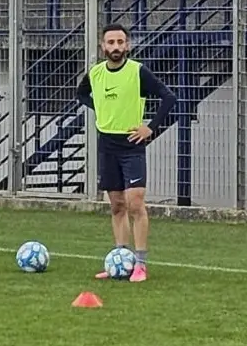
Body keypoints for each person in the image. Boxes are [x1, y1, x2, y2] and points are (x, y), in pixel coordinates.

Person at [76, 23, 177, 286]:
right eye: (111, 43)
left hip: (131, 145)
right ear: (102, 46)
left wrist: (150, 128)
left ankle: (141, 263)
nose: (116, 47)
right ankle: (120, 260)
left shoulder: (137, 72)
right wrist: (100, 108)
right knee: (117, 205)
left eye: (120, 42)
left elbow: (168, 98)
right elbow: (82, 94)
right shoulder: (96, 73)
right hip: (107, 144)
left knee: (135, 203)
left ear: (128, 45)